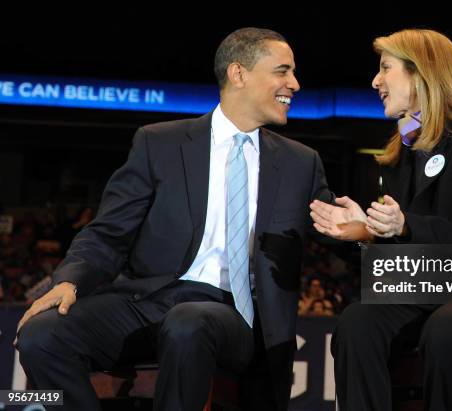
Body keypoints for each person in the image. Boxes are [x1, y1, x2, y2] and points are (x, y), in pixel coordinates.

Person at [15, 27, 331, 411]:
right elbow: (109, 232)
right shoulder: (159, 142)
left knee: (189, 322)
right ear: (239, 74)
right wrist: (69, 281)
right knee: (41, 335)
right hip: (150, 300)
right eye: (283, 71)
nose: (294, 84)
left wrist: (369, 231)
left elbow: (335, 229)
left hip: (235, 315)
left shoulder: (300, 162)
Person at [309, 28, 452, 411]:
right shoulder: (399, 151)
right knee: (357, 322)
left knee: (448, 327)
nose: (375, 81)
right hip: (421, 296)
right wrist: (365, 234)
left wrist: (403, 225)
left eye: (386, 68)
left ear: (422, 73)